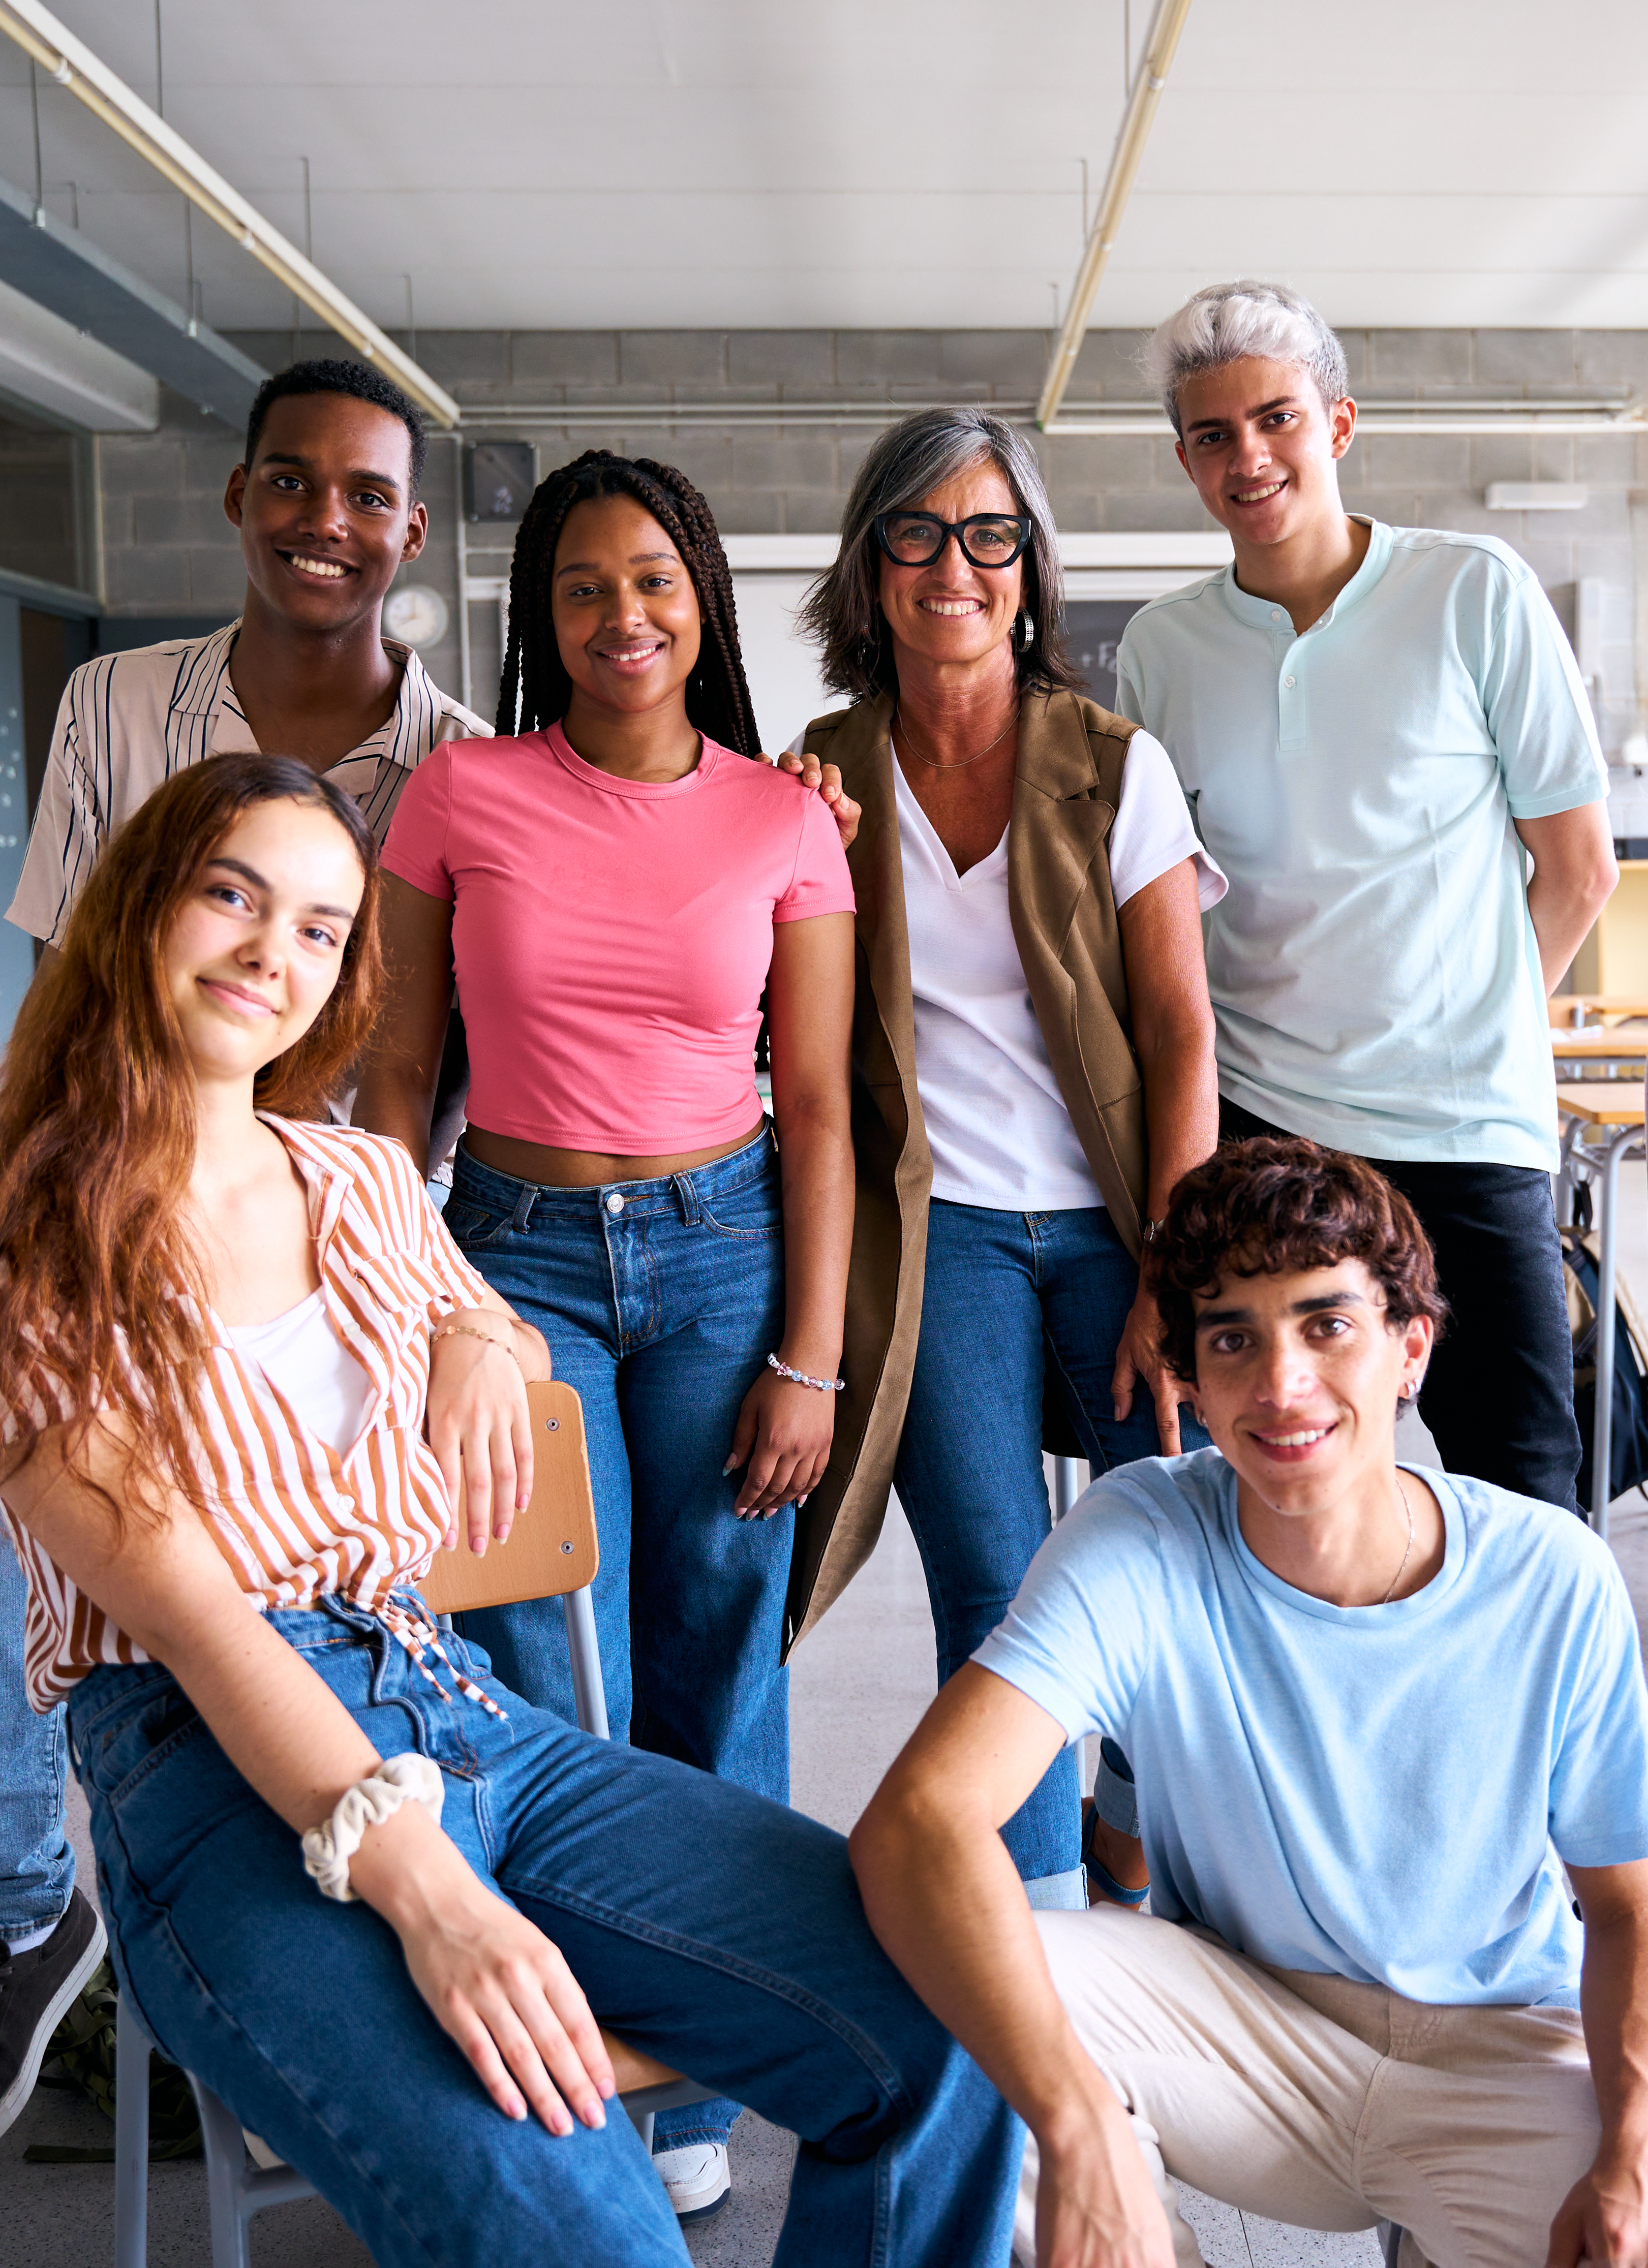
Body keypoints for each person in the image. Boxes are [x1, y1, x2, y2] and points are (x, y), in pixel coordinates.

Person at [0, 752, 1021, 2268]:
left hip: (460, 1703)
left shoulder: (356, 1179)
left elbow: (497, 1317)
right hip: (220, 1777)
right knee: (595, 2233)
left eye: (322, 928)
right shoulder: (33, 1241)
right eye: (234, 895)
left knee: (950, 2019)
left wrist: (485, 1336)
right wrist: (433, 1899)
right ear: (138, 905)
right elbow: (201, 1625)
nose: (273, 954)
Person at [851, 1135, 1648, 2268]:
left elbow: (1626, 1906)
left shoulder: (1548, 1571)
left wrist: (1627, 2156)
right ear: (1190, 1374)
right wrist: (1078, 2131)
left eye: (1326, 1324)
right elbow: (918, 1823)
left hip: (1498, 2045)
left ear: (1408, 1349)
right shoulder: (1141, 1529)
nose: (1280, 1384)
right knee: (957, 2005)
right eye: (1233, 1338)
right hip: (1234, 2020)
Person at [354, 448, 856, 2212]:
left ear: (701, 595)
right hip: (510, 1263)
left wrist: (811, 1353)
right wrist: (394, 1291)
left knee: (720, 1651)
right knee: (545, 1671)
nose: (620, 613)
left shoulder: (787, 820)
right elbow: (402, 1076)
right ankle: (551, 2044)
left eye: (651, 577)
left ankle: (705, 2083)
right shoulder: (460, 795)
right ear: (538, 616)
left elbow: (818, 1105)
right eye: (580, 585)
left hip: (726, 1254)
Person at [0, 355, 489, 2139]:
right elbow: (65, 971)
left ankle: (307, 1960)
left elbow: (443, 1042)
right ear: (240, 497)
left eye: (365, 497)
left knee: (338, 1583)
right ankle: (83, 1936)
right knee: (106, 1576)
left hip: (353, 1226)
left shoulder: (458, 753)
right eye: (294, 484)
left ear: (411, 536)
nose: (325, 523)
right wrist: (46, 1200)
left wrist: (442, 1297)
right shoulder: (121, 704)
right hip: (121, 1204)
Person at [783, 407, 1223, 1915]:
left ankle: (1169, 1859)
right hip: (943, 1233)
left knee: (1183, 1553)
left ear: (1030, 566)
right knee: (999, 1590)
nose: (951, 565)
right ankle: (1037, 1952)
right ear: (873, 563)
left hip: (1118, 1227)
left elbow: (1179, 1032)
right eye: (916, 531)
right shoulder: (821, 779)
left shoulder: (1113, 765)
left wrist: (1175, 1264)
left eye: (988, 534)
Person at [1114, 279, 1618, 1516]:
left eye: (1276, 419)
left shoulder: (1473, 591)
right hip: (1265, 1126)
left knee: (1522, 1483)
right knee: (1283, 1472)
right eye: (1215, 435)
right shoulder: (1159, 651)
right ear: (1184, 460)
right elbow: (1165, 910)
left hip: (1462, 1126)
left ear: (1338, 425)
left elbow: (1577, 868)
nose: (1250, 457)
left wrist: (1470, 1026)